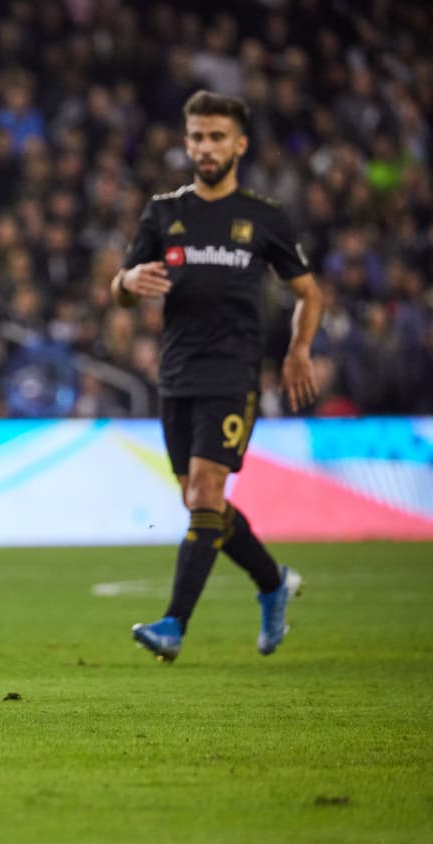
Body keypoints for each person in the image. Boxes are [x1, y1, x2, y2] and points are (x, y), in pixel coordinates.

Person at [110, 91, 323, 662]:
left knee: (205, 492)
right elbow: (122, 285)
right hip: (176, 374)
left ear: (240, 144)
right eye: (198, 137)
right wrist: (126, 284)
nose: (206, 147)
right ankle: (273, 582)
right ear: (187, 142)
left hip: (233, 375)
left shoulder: (263, 218)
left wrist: (300, 349)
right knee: (196, 501)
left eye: (217, 137)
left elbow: (309, 293)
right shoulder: (163, 213)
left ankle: (173, 625)